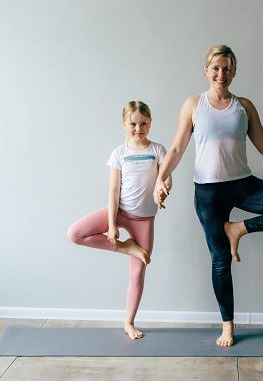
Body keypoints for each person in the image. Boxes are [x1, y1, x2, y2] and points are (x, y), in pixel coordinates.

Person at [153, 45, 263, 347]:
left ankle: (238, 228)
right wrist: (159, 180)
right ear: (206, 70)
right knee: (220, 261)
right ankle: (227, 326)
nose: (221, 74)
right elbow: (175, 149)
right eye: (215, 68)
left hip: (243, 185)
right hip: (208, 193)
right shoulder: (193, 105)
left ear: (234, 72)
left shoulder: (244, 107)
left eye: (227, 68)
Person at [68, 101, 171, 340]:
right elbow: (114, 191)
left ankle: (129, 323)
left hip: (144, 219)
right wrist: (113, 224)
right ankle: (126, 248)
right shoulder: (119, 154)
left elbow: (165, 178)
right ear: (124, 124)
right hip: (121, 212)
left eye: (143, 123)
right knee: (75, 233)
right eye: (133, 124)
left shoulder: (158, 150)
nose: (138, 128)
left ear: (150, 122)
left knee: (137, 273)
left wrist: (162, 188)